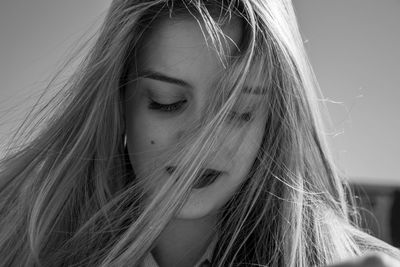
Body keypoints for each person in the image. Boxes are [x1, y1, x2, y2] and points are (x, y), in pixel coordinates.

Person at [0, 0, 399, 266]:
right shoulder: (23, 244)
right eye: (167, 101)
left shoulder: (348, 259)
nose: (200, 142)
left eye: (239, 110)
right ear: (118, 103)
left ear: (273, 119)